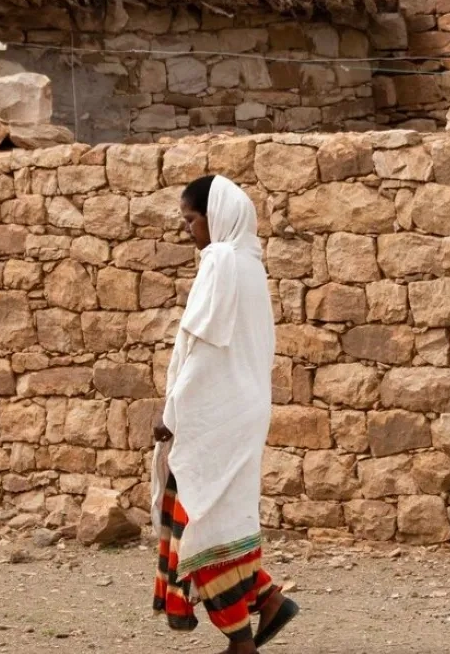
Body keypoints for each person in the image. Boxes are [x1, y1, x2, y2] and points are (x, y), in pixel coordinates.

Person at [151, 174, 299, 653]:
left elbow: (202, 348)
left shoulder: (220, 261)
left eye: (192, 221)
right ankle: (268, 598)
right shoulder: (252, 265)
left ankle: (240, 639)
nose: (189, 232)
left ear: (216, 218)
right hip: (243, 410)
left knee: (200, 522)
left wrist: (172, 408)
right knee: (224, 517)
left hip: (213, 412)